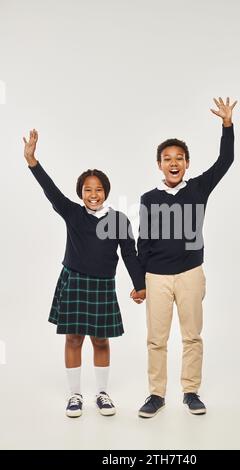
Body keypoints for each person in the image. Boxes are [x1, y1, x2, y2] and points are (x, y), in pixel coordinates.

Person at [23, 129, 146, 418]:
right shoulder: (73, 213)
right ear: (81, 193)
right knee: (74, 338)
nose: (93, 194)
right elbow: (50, 190)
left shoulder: (119, 220)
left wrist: (140, 285)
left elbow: (129, 254)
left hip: (103, 286)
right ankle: (74, 395)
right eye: (88, 189)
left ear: (106, 191)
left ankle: (102, 394)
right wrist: (32, 161)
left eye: (99, 189)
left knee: (101, 340)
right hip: (75, 281)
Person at [132, 97, 237, 417]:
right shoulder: (149, 198)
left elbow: (225, 161)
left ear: (187, 163)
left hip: (191, 273)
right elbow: (143, 241)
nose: (173, 162)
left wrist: (227, 126)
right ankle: (156, 394)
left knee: (192, 335)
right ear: (159, 164)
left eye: (179, 158)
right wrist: (140, 283)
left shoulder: (199, 188)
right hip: (157, 277)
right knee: (156, 340)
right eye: (167, 158)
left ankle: (190, 391)